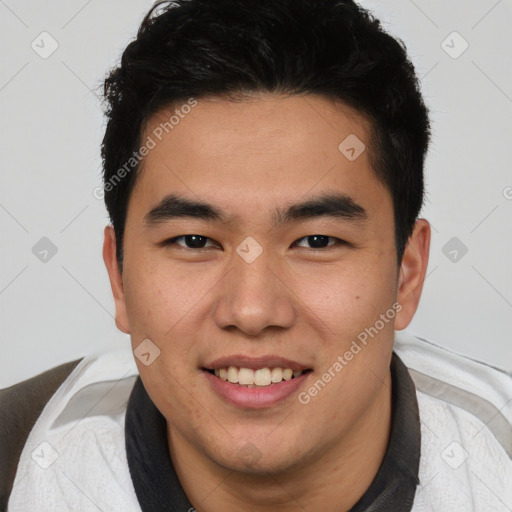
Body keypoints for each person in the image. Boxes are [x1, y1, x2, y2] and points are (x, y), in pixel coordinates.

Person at [2, 0, 511, 510]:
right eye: (194, 241)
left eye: (316, 241)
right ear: (119, 275)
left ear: (407, 274)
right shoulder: (17, 456)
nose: (252, 311)